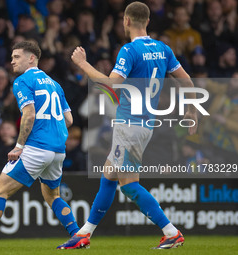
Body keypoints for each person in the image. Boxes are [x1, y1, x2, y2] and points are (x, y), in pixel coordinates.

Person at [58, 2, 198, 250]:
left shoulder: (129, 50)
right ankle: (84, 233)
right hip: (144, 123)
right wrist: (192, 108)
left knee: (129, 183)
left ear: (126, 21)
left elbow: (111, 85)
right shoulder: (163, 49)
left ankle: (171, 231)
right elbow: (186, 80)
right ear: (148, 21)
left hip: (130, 124)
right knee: (109, 175)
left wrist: (82, 63)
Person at [0, 40, 81, 250]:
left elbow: (29, 114)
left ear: (31, 58)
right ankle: (77, 235)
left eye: (16, 57)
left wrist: (19, 145)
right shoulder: (55, 84)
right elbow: (69, 120)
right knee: (52, 196)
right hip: (57, 150)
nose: (12, 61)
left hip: (36, 147)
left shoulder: (22, 81)